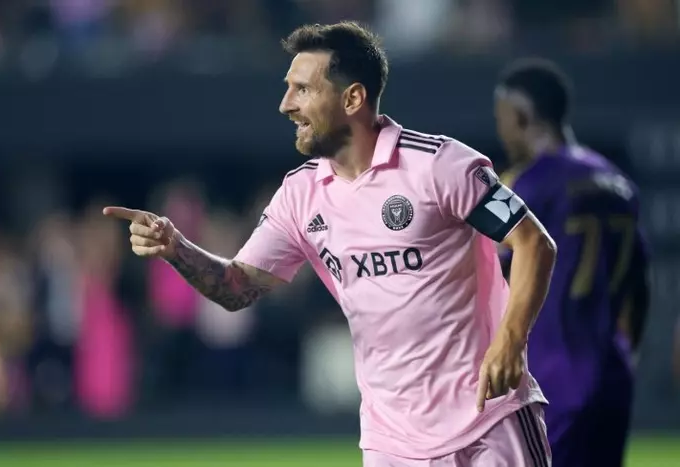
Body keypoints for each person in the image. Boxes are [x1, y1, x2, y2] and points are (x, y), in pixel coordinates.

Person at [105, 22, 556, 467]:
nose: (285, 105)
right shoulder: (300, 195)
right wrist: (176, 247)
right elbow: (235, 287)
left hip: (488, 421)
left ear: (352, 98)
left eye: (302, 89)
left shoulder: (440, 165)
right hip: (392, 443)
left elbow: (534, 243)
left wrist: (510, 341)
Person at [495, 58, 650, 467]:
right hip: (613, 372)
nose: (501, 130)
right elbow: (639, 286)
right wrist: (622, 353)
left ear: (520, 116)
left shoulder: (525, 184)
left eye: (503, 119)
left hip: (552, 372)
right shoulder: (618, 182)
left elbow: (491, 267)